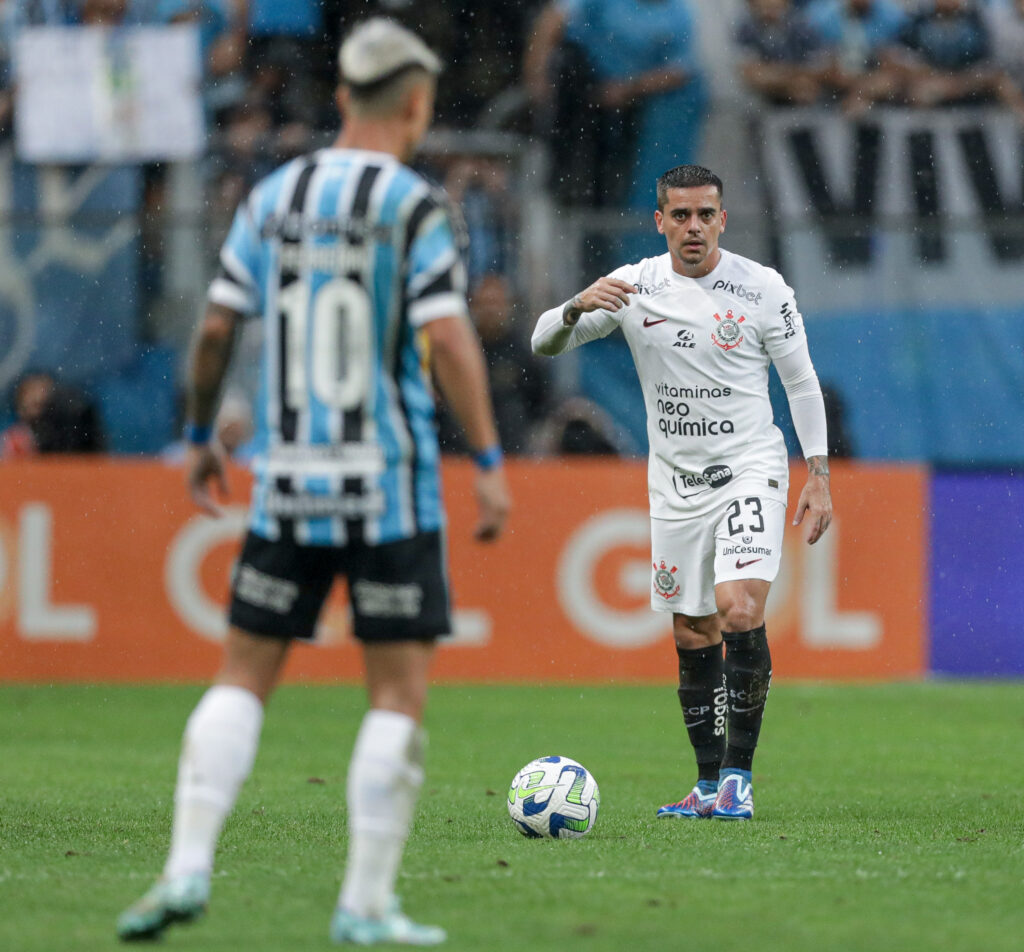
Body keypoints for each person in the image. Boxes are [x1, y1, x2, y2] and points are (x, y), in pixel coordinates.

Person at [117, 18, 510, 946]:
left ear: (341, 98)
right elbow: (450, 337)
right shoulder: (414, 204)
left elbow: (215, 331)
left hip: (289, 477)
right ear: (416, 104)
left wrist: (198, 431)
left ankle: (184, 867)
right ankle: (364, 905)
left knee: (243, 677)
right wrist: (489, 460)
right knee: (396, 697)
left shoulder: (271, 197)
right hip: (391, 483)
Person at [531, 165, 832, 821]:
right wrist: (576, 305)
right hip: (675, 485)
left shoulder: (761, 289)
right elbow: (544, 342)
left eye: (706, 215)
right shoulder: (634, 288)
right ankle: (703, 785)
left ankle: (738, 780)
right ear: (660, 220)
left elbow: (802, 384)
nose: (694, 227)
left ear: (723, 219)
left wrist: (819, 474)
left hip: (751, 467)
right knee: (693, 630)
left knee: (739, 608)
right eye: (681, 215)